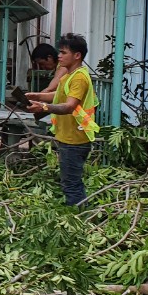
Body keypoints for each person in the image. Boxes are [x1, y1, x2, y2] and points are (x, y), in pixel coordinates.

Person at [28, 33, 98, 206]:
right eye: (59, 52)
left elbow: (69, 106)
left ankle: (79, 221)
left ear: (77, 55)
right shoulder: (68, 76)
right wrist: (37, 96)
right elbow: (59, 95)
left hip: (75, 140)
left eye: (63, 52)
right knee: (70, 182)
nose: (59, 56)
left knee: (71, 185)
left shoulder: (79, 78)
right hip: (68, 137)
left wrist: (43, 107)